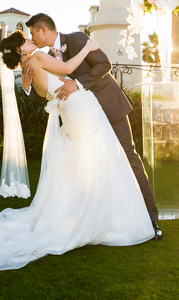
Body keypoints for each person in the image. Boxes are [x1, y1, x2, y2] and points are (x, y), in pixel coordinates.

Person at [0, 31, 154, 270]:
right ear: (21, 50)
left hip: (69, 113)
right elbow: (67, 69)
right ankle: (107, 217)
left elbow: (45, 95)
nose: (32, 40)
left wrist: (29, 84)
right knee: (101, 160)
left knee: (82, 162)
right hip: (82, 109)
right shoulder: (38, 58)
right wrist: (87, 48)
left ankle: (84, 212)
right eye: (27, 39)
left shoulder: (27, 72)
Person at [22, 13, 160, 237]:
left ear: (43, 30)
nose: (32, 38)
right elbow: (44, 93)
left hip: (108, 107)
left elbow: (105, 64)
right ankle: (102, 217)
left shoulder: (76, 39)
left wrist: (77, 83)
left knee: (128, 156)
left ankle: (150, 217)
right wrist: (26, 85)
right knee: (93, 166)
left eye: (32, 33)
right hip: (83, 119)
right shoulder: (44, 57)